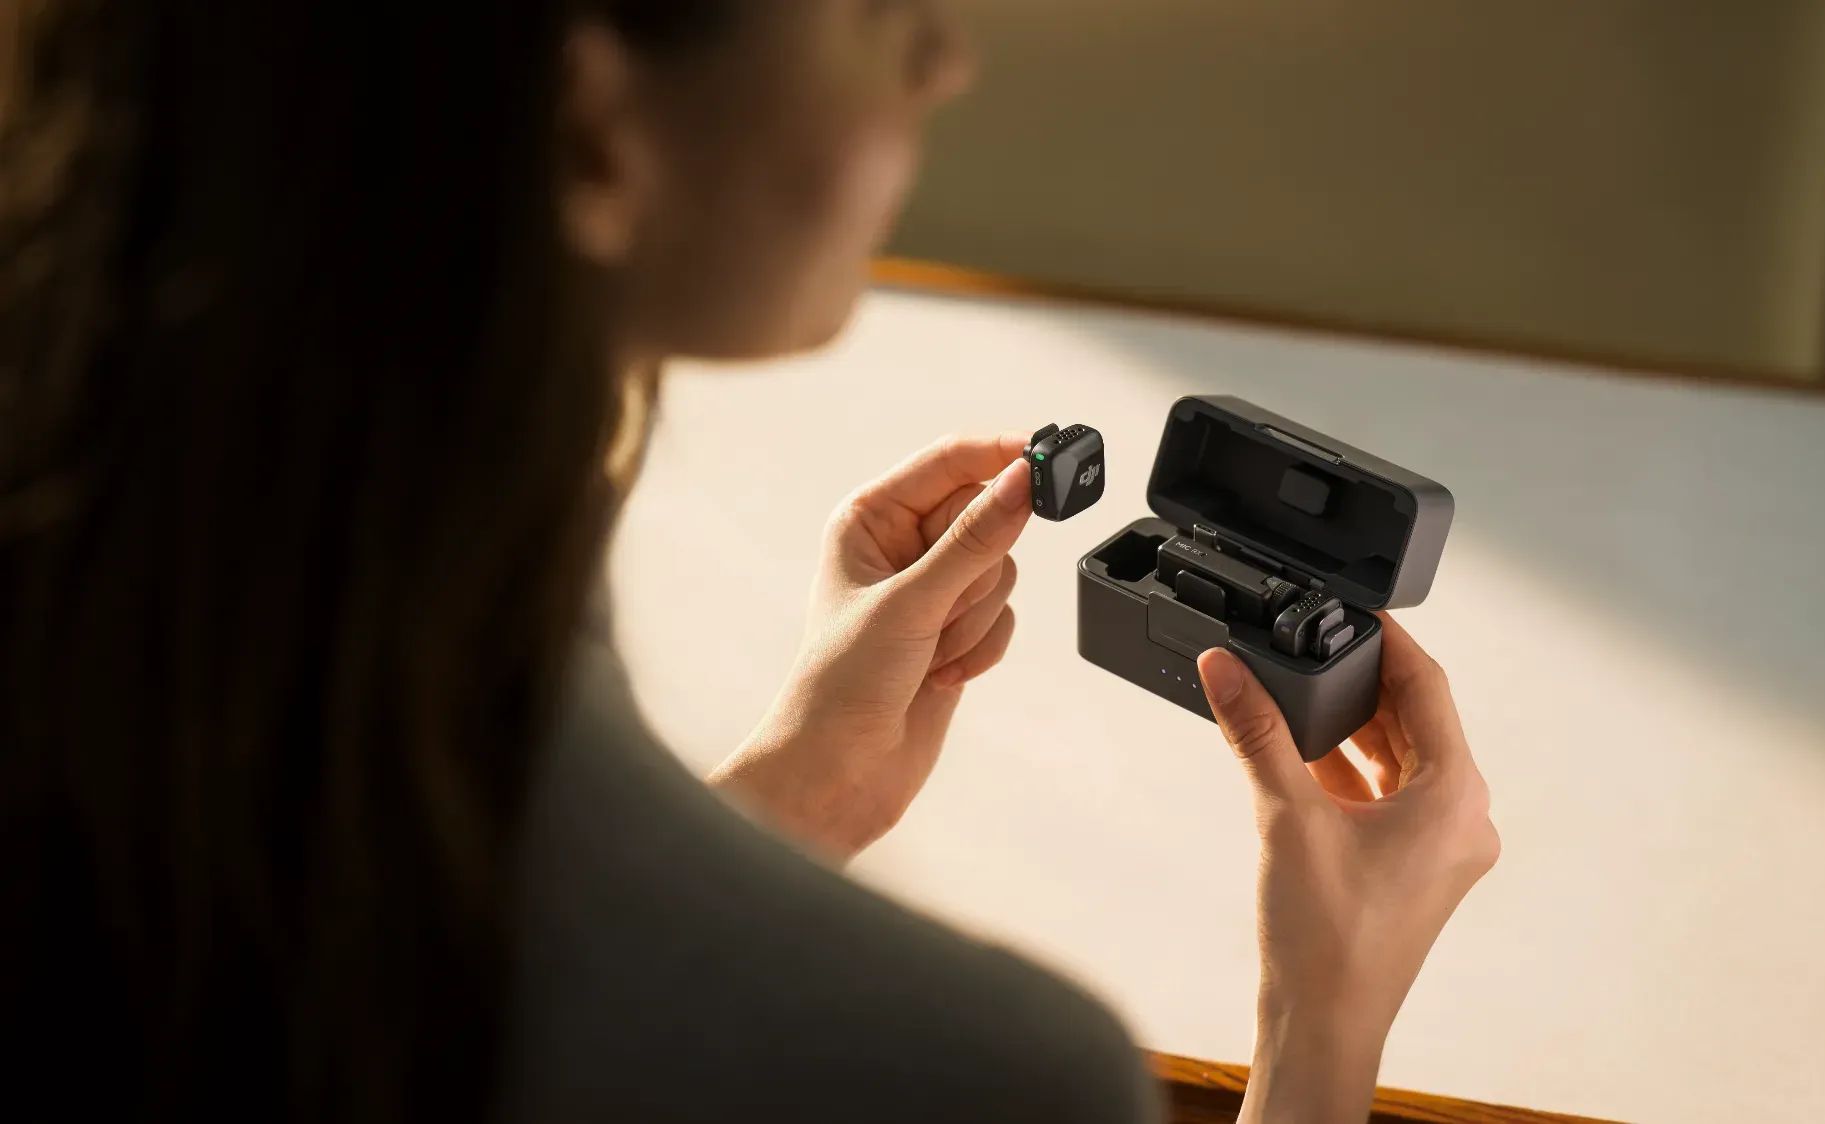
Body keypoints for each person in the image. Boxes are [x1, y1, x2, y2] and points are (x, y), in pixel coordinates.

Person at [0, 2, 1499, 1121]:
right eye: (868, 5)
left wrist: (790, 801)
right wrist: (1321, 1028)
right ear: (591, 134)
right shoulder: (957, 1076)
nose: (944, 56)